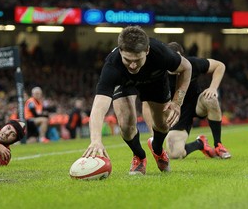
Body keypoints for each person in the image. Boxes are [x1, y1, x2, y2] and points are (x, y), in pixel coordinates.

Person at [82, 26, 192, 175]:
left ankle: (158, 150)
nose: (132, 65)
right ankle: (139, 157)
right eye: (127, 60)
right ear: (120, 51)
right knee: (126, 124)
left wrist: (177, 102)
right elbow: (99, 106)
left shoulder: (161, 53)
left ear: (147, 51)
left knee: (163, 124)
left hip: (155, 82)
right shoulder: (112, 66)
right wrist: (95, 140)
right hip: (125, 84)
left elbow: (187, 67)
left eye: (137, 60)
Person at [143, 42, 231, 159]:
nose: (174, 62)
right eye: (171, 59)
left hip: (196, 104)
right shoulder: (158, 73)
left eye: (177, 58)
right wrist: (153, 134)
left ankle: (218, 145)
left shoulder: (192, 64)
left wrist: (213, 87)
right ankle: (200, 143)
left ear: (182, 58)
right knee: (175, 154)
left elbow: (220, 66)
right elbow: (146, 105)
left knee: (211, 99)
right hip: (177, 114)